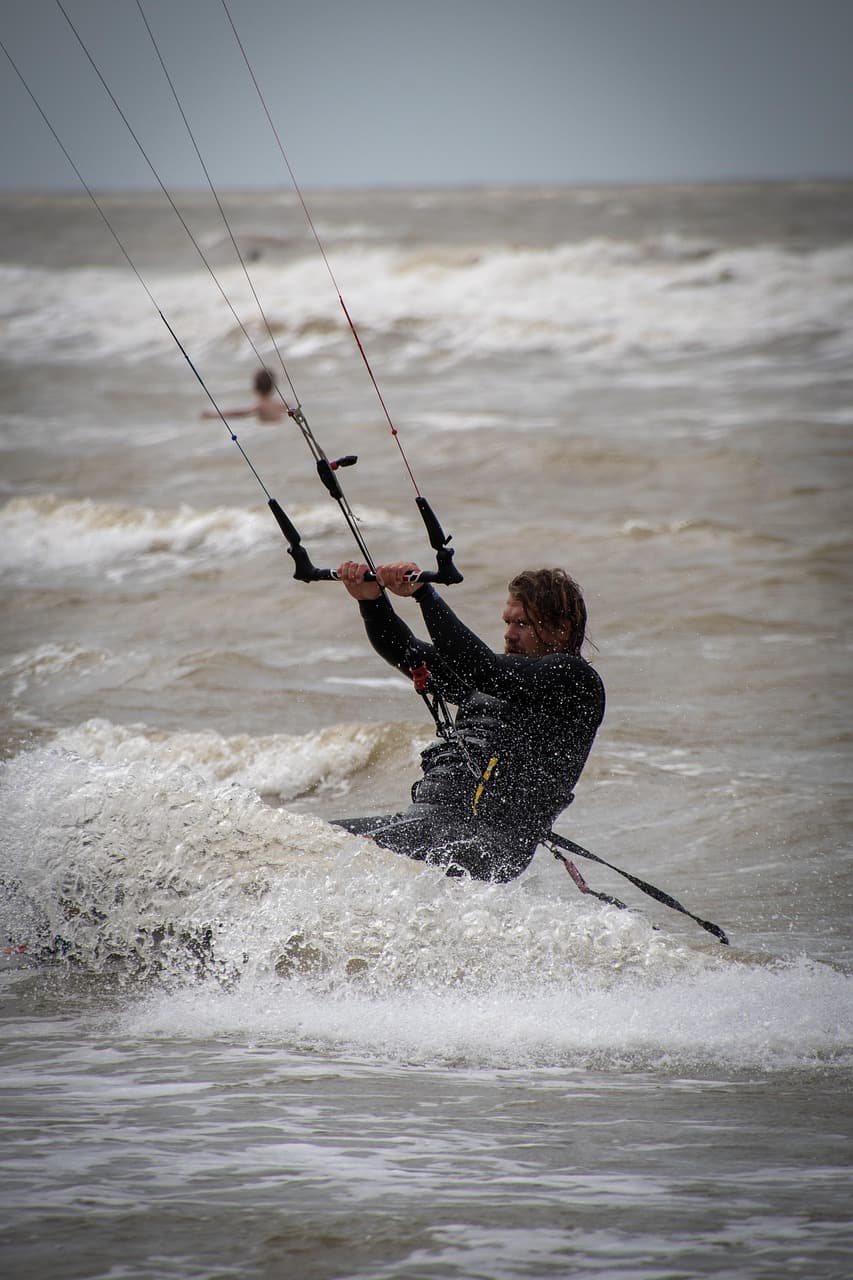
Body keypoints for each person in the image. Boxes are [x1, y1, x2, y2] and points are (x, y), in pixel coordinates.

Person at [331, 560, 605, 882]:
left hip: (489, 842)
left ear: (562, 629)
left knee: (343, 850)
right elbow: (406, 651)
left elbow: (482, 667)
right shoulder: (491, 681)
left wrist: (424, 594)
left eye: (523, 624)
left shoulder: (574, 682)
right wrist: (371, 600)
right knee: (310, 839)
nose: (509, 634)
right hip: (427, 824)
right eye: (507, 622)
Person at [202, 367, 287, 423]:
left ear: (255, 387)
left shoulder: (260, 406)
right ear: (273, 387)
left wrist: (214, 415)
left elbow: (239, 413)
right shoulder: (281, 405)